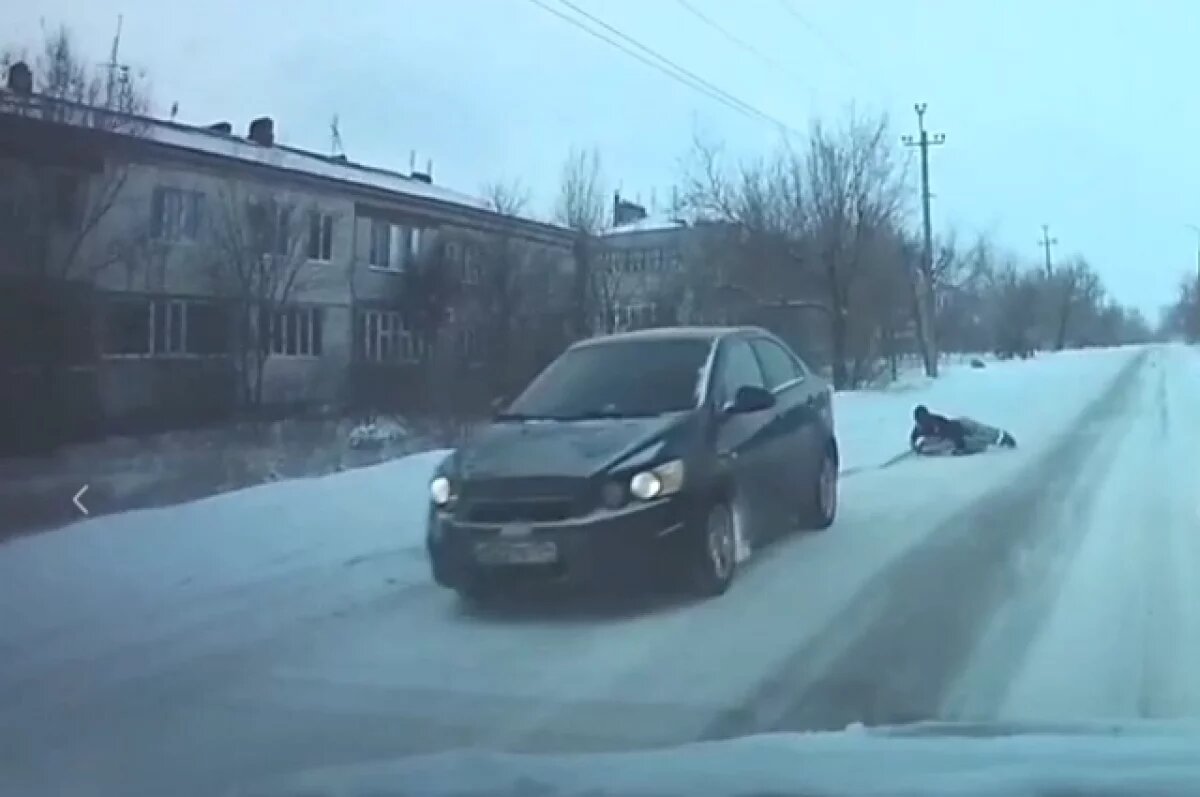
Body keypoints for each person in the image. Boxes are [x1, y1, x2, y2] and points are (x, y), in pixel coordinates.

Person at [909, 404, 1017, 456]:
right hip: (958, 435)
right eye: (920, 420)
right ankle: (995, 443)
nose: (923, 422)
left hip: (962, 426)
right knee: (977, 442)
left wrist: (960, 446)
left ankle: (1002, 436)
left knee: (982, 432)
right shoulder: (919, 428)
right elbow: (913, 437)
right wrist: (915, 446)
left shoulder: (937, 421)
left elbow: (952, 432)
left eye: (924, 418)